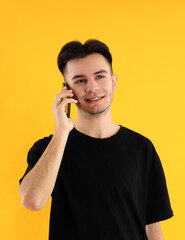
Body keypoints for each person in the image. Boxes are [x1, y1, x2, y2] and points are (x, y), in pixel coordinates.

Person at [18, 39, 174, 240]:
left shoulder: (141, 148)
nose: (92, 87)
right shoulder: (49, 148)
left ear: (114, 81)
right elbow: (32, 201)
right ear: (67, 90)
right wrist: (62, 131)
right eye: (80, 80)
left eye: (99, 76)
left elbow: (152, 227)